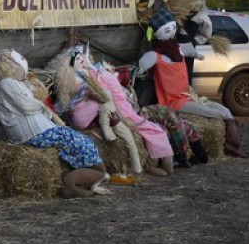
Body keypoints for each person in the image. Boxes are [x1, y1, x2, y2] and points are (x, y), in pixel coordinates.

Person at [0, 48, 109, 198]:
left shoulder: (15, 83)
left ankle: (81, 178)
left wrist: (41, 106)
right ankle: (71, 183)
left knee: (80, 140)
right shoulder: (6, 83)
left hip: (39, 130)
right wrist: (42, 106)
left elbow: (31, 104)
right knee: (80, 142)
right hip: (33, 133)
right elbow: (27, 106)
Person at [52, 44, 174, 177]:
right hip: (87, 116)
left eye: (83, 57)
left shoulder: (86, 74)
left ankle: (151, 163)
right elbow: (102, 93)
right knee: (125, 126)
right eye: (78, 58)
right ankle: (138, 161)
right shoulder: (79, 78)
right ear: (70, 63)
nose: (82, 60)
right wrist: (96, 71)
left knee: (135, 125)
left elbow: (106, 91)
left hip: (88, 113)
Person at [138, 9, 247, 157]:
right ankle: (231, 147)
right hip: (175, 102)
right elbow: (143, 63)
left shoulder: (178, 49)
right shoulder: (155, 55)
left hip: (189, 96)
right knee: (216, 114)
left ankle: (233, 146)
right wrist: (138, 69)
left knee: (226, 111)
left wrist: (198, 54)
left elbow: (191, 50)